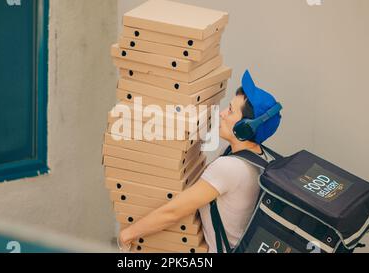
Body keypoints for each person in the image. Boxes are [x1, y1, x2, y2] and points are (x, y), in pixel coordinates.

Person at [118, 70, 282, 253]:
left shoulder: (230, 168)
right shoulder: (264, 158)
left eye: (230, 110)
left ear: (245, 128)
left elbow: (172, 212)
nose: (221, 114)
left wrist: (127, 235)